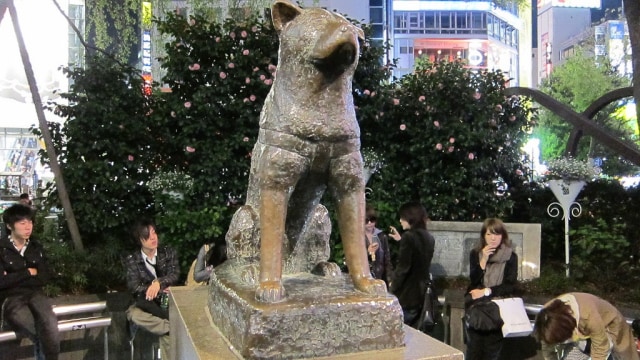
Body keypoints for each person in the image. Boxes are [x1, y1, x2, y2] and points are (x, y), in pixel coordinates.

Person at [0, 203, 59, 360]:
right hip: (11, 298)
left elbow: (44, 277)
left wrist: (13, 276)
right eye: (22, 223)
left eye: (30, 222)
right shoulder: (2, 248)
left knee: (50, 325)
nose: (28, 227)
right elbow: (1, 282)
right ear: (9, 226)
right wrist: (28, 272)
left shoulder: (36, 247)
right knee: (38, 331)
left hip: (35, 295)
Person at [123, 218, 179, 358]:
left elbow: (175, 274)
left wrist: (158, 283)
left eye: (154, 233)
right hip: (144, 305)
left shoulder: (167, 252)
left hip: (167, 304)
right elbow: (134, 286)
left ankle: (167, 329)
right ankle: (169, 327)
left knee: (167, 335)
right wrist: (155, 289)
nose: (153, 238)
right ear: (139, 240)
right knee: (134, 315)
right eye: (147, 236)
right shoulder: (132, 259)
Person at [464, 218, 518, 360]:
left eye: (497, 234)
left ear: (503, 236)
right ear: (483, 236)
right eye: (489, 234)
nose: (493, 238)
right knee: (473, 351)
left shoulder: (510, 256)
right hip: (477, 309)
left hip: (497, 309)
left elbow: (510, 285)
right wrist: (483, 260)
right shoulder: (476, 253)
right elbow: (474, 280)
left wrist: (487, 291)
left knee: (492, 353)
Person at [534, 292, 639, 360]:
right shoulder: (545, 318)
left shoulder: (588, 316)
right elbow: (547, 344)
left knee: (624, 355)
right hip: (578, 329)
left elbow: (600, 350)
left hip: (609, 323)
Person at [388, 201, 435, 328]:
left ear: (410, 218)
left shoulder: (409, 237)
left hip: (406, 296)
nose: (400, 221)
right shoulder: (429, 237)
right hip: (420, 295)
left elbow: (403, 268)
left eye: (402, 218)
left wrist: (391, 289)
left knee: (397, 332)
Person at [364, 206, 393, 286]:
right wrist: (368, 252)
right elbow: (355, 260)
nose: (369, 223)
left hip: (380, 279)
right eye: (366, 221)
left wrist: (390, 279)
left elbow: (387, 260)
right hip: (364, 280)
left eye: (372, 220)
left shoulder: (381, 236)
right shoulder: (358, 238)